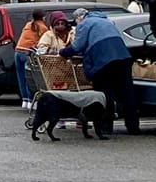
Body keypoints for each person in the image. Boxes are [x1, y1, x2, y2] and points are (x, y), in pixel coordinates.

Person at [66, 7, 139, 135]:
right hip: (122, 57)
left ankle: (106, 128)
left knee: (105, 94)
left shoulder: (84, 23)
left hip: (103, 60)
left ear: (78, 18)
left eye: (76, 21)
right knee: (127, 94)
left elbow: (78, 46)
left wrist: (64, 52)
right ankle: (133, 127)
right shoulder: (107, 21)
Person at [14, 10, 51, 109]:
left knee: (21, 77)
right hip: (29, 53)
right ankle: (31, 100)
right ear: (43, 17)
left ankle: (25, 100)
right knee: (31, 78)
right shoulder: (43, 27)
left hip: (18, 51)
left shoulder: (28, 24)